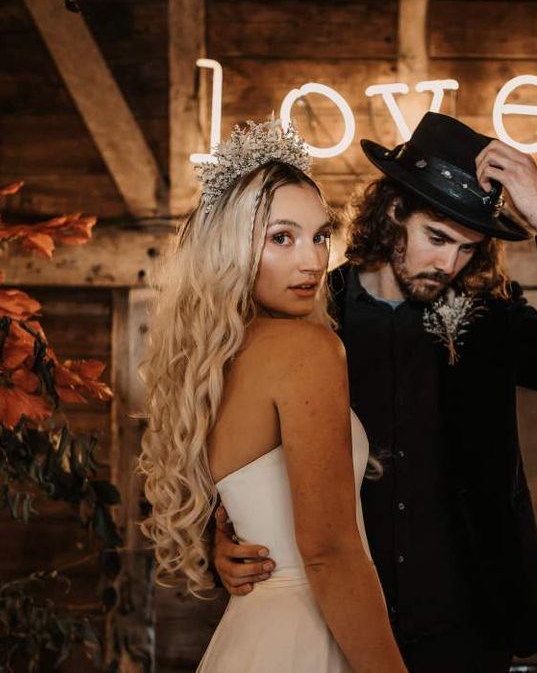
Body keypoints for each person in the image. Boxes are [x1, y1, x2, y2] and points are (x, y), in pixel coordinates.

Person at [214, 112, 537, 671]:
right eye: (437, 238)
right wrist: (218, 543)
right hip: (342, 625)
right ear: (393, 212)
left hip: (471, 627)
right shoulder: (308, 318)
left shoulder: (488, 319)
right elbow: (240, 451)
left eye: (466, 248)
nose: (448, 264)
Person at [138, 121, 407, 672]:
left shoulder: (214, 359)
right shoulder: (308, 348)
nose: (311, 261)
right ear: (233, 246)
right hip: (307, 632)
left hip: (252, 635)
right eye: (281, 237)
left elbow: (252, 506)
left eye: (320, 235)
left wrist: (225, 540)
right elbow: (328, 554)